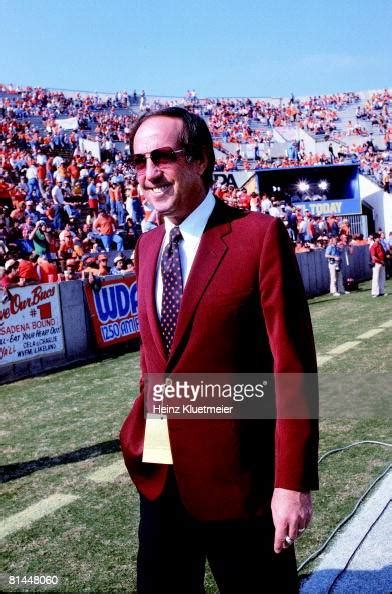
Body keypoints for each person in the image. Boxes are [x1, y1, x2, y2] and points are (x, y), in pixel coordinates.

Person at [119, 107, 319, 593]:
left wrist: (291, 483)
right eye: (139, 160)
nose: (148, 173)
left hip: (243, 487)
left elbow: (292, 369)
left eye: (162, 157)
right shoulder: (146, 246)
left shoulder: (257, 237)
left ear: (202, 160)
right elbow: (157, 361)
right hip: (162, 482)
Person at [369, 233, 387, 297]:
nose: (379, 238)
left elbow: (383, 253)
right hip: (376, 263)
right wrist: (381, 261)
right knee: (375, 278)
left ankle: (381, 291)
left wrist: (384, 260)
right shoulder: (373, 246)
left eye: (379, 237)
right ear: (374, 239)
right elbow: (373, 257)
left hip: (382, 263)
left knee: (382, 278)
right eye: (377, 237)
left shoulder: (380, 245)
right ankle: (375, 293)